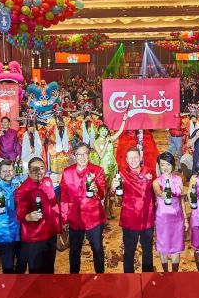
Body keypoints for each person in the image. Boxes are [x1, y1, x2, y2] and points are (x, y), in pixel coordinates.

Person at [61, 143, 107, 274]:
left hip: (94, 218)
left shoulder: (97, 171)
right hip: (75, 218)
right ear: (74, 156)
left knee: (97, 250)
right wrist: (64, 218)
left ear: (89, 155)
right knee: (74, 251)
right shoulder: (67, 172)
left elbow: (102, 194)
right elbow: (64, 197)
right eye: (79, 154)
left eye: (85, 154)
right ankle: (74, 279)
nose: (82, 157)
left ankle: (100, 278)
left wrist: (96, 189)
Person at [15, 157, 61, 274]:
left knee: (49, 269)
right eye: (35, 169)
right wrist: (28, 216)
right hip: (35, 237)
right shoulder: (23, 189)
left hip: (51, 233)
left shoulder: (47, 181)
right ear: (29, 171)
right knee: (36, 273)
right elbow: (20, 213)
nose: (39, 171)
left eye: (41, 168)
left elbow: (53, 204)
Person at [116, 147, 156, 273]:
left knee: (148, 251)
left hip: (147, 217)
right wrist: (113, 187)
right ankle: (129, 279)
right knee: (129, 252)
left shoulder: (149, 172)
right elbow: (115, 196)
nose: (133, 160)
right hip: (130, 218)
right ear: (127, 160)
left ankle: (147, 278)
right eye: (130, 158)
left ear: (140, 158)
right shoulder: (122, 173)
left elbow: (156, 192)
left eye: (136, 157)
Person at [0, 159, 27, 274]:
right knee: (8, 266)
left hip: (20, 230)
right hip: (5, 233)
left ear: (14, 171)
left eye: (10, 170)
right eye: (4, 171)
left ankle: (20, 283)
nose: (8, 173)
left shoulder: (18, 184)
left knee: (23, 262)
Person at [153, 152, 186, 272]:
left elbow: (181, 199)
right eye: (162, 165)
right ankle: (166, 274)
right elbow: (158, 191)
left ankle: (175, 275)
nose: (165, 167)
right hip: (163, 219)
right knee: (163, 247)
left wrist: (185, 219)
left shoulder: (178, 179)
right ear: (159, 166)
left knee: (176, 248)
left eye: (168, 164)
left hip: (177, 219)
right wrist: (162, 194)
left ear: (172, 165)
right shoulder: (157, 182)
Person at [91, 114, 127, 219]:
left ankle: (111, 208)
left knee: (113, 189)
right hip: (105, 168)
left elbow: (120, 132)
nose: (105, 132)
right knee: (105, 191)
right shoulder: (96, 142)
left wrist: (124, 120)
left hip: (113, 166)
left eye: (106, 130)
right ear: (98, 131)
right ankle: (105, 209)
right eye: (102, 130)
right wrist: (106, 143)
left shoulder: (110, 138)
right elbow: (101, 155)